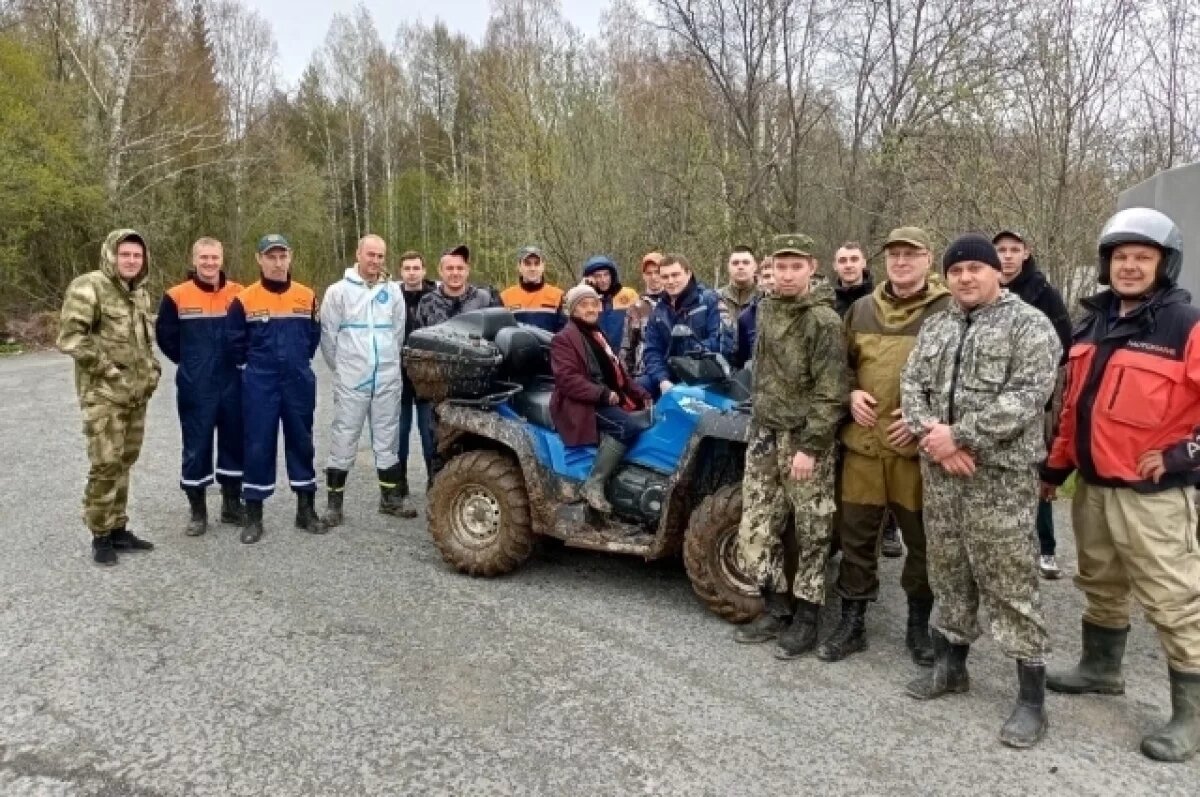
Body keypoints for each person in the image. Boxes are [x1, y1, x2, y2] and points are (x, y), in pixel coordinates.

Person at [1041, 208, 1200, 763]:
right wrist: (1053, 471)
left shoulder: (1187, 325)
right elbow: (1072, 411)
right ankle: (1102, 668)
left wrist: (1185, 454)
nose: (1129, 267)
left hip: (1154, 498)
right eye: (1120, 257)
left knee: (1176, 602)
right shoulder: (1092, 323)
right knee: (1100, 583)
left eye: (1143, 257)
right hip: (1094, 488)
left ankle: (1190, 715)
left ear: (1165, 264)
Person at [901, 234, 1060, 749]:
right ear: (945, 278)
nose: (965, 278)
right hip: (942, 475)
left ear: (997, 272)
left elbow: (1028, 395)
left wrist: (961, 435)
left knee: (1010, 582)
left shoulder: (1030, 325)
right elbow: (912, 388)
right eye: (956, 270)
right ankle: (951, 668)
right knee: (948, 572)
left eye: (975, 268)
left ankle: (1031, 700)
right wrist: (936, 440)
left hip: (1000, 480)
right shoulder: (937, 326)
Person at [818, 227, 951, 665]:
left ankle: (919, 625)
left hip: (917, 453)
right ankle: (852, 622)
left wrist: (923, 425)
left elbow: (960, 385)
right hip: (864, 448)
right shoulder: (860, 309)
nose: (901, 262)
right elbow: (838, 368)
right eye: (894, 255)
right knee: (855, 537)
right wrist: (852, 393)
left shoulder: (948, 310)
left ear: (928, 259)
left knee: (923, 543)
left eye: (911, 255)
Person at [732, 234, 847, 659]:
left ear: (811, 267)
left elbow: (832, 391)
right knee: (758, 522)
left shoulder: (824, 321)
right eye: (780, 266)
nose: (786, 274)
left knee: (812, 529)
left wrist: (812, 447)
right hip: (764, 430)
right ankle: (775, 605)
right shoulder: (765, 308)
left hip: (804, 438)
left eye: (795, 266)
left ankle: (808, 618)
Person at [57, 229, 162, 565]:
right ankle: (100, 534)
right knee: (104, 464)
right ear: (111, 255)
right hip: (103, 394)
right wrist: (109, 370)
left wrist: (153, 370)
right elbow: (71, 338)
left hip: (135, 395)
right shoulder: (89, 286)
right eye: (125, 254)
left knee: (124, 462)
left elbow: (145, 341)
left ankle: (118, 527)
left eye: (137, 255)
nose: (131, 261)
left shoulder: (140, 293)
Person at [226, 234, 324, 543]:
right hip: (260, 381)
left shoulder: (306, 296)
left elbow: (313, 337)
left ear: (290, 257)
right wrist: (254, 369)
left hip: (297, 380)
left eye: (282, 256)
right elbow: (234, 342)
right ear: (259, 259)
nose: (278, 262)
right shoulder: (244, 299)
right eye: (271, 257)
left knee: (302, 441)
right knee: (257, 444)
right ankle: (253, 516)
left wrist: (296, 362)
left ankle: (305, 510)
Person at [993, 229, 1073, 581]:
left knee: (1035, 470)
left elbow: (1064, 345)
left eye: (1014, 249)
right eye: (1001, 250)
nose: (1008, 256)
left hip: (1033, 399)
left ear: (1026, 253)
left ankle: (1047, 548)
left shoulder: (1044, 294)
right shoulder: (984, 288)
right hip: (989, 397)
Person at [320, 234, 413, 527]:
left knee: (387, 437)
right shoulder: (338, 292)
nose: (375, 261)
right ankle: (334, 505)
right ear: (358, 254)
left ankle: (390, 499)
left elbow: (398, 332)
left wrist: (385, 363)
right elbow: (328, 338)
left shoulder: (393, 291)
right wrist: (345, 369)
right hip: (352, 378)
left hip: (386, 376)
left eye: (380, 256)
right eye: (370, 254)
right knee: (344, 436)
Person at [156, 237, 244, 536]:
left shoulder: (238, 293)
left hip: (233, 382)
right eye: (204, 258)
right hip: (197, 385)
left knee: (235, 442)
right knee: (197, 445)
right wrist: (191, 363)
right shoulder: (176, 296)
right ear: (194, 260)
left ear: (222, 258)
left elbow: (248, 332)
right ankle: (198, 511)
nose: (210, 263)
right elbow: (165, 337)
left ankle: (232, 506)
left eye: (215, 258)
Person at [550, 284, 652, 513]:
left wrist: (642, 393)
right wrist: (603, 394)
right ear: (572, 310)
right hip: (580, 403)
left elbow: (618, 373)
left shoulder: (597, 333)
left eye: (594, 304)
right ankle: (593, 484)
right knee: (626, 426)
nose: (590, 309)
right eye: (583, 305)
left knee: (649, 418)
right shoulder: (564, 339)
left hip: (605, 397)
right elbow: (567, 380)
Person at [640, 255, 724, 398]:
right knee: (637, 387)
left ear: (688, 273)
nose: (671, 281)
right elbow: (652, 351)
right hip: (671, 376)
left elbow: (722, 341)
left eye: (675, 275)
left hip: (706, 373)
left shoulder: (709, 300)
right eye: (665, 277)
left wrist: (692, 354)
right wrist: (663, 380)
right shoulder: (658, 312)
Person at [397, 251, 437, 493]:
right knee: (399, 435)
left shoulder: (435, 298)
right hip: (399, 378)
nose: (412, 272)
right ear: (401, 272)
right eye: (407, 268)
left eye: (416, 268)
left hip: (427, 378)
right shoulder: (391, 297)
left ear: (423, 270)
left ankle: (434, 482)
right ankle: (398, 483)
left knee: (430, 434)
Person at [414, 245, 499, 328]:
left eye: (460, 268)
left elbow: (498, 333)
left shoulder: (484, 299)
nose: (455, 273)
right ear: (440, 271)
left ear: (467, 270)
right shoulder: (427, 301)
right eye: (450, 268)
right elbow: (418, 338)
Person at [581, 255, 640, 352]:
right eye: (598, 276)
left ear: (612, 275)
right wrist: (584, 287)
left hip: (625, 354)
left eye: (606, 275)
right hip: (598, 355)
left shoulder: (629, 295)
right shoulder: (586, 300)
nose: (603, 280)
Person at [499, 245, 564, 331]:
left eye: (537, 263)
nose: (532, 268)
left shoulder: (558, 296)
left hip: (549, 344)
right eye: (527, 263)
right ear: (519, 267)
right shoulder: (505, 297)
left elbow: (565, 333)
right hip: (517, 344)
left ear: (543, 266)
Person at [621, 252, 664, 374]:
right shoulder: (636, 307)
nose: (653, 277)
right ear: (643, 276)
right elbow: (627, 346)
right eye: (649, 273)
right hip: (644, 372)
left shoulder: (674, 303)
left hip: (672, 371)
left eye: (657, 272)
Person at [733, 257, 773, 368]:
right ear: (759, 280)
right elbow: (741, 361)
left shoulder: (800, 312)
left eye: (775, 275)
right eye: (767, 276)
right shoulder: (746, 317)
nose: (771, 281)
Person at [718, 246, 759, 352]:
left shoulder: (765, 298)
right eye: (735, 263)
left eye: (746, 262)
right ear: (728, 267)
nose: (740, 267)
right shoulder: (715, 298)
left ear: (755, 267)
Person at [832, 241, 875, 316]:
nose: (848, 265)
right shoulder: (828, 306)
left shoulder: (879, 300)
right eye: (842, 261)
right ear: (835, 266)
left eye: (854, 259)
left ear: (863, 263)